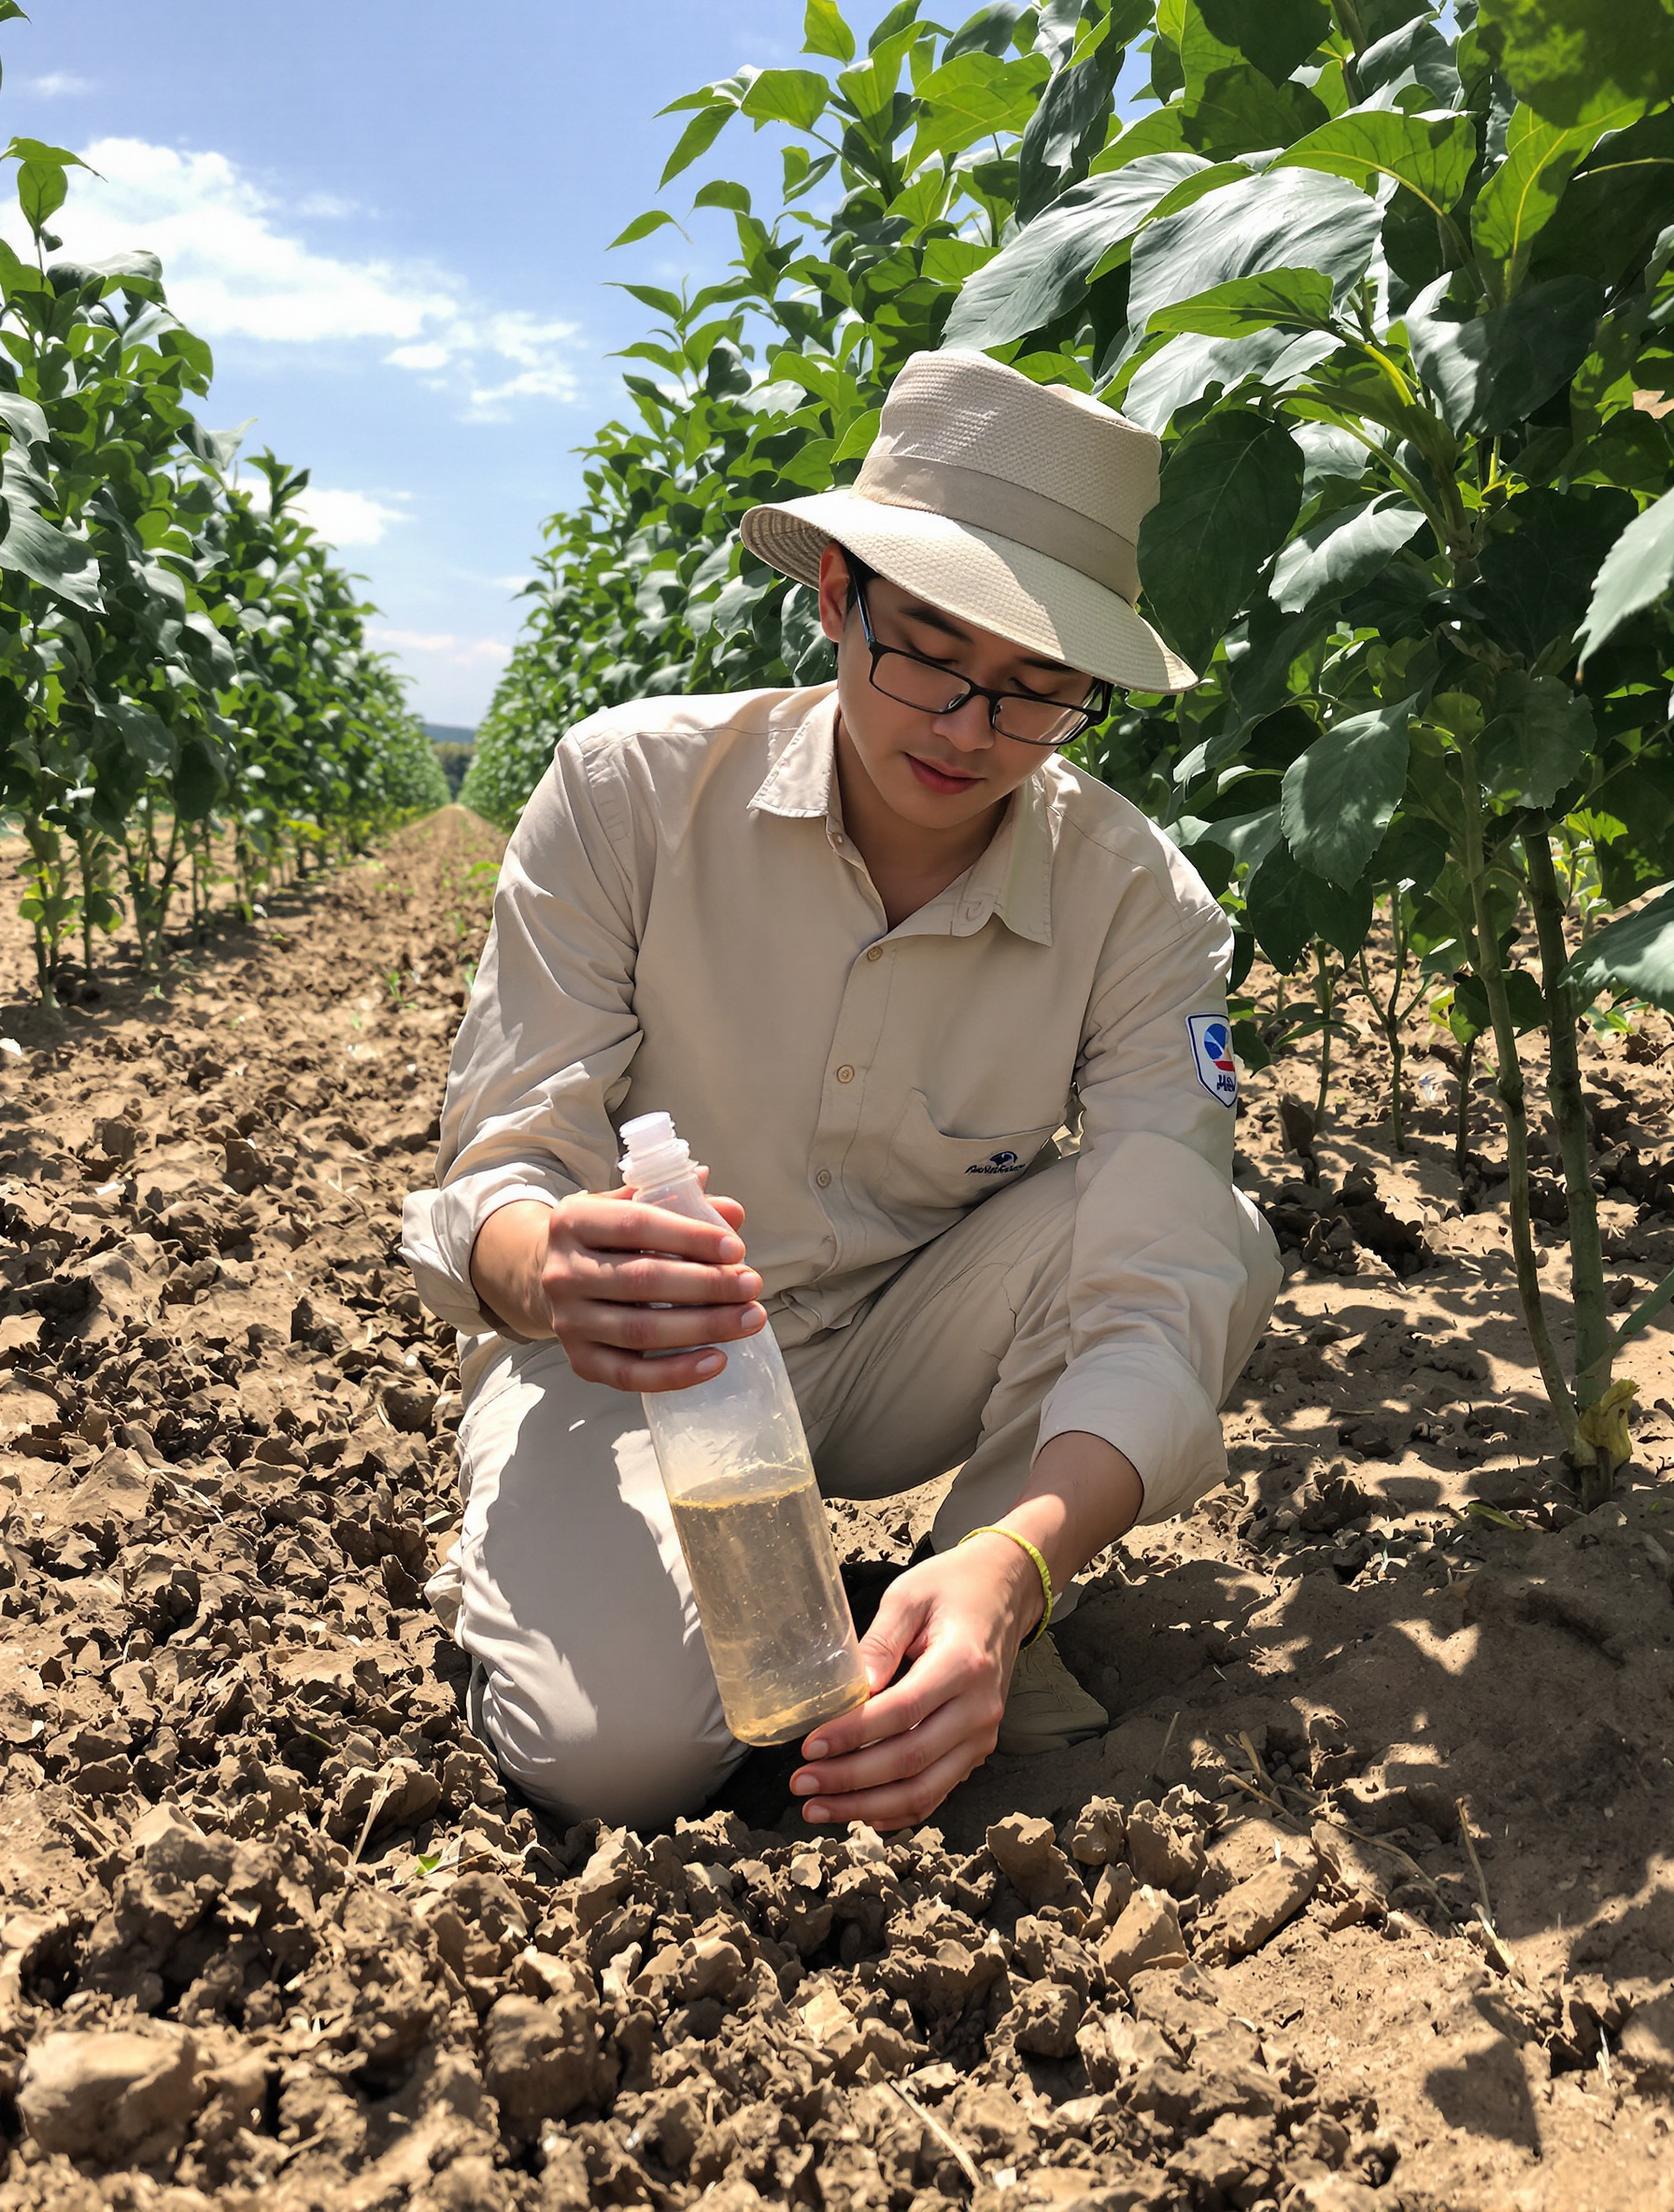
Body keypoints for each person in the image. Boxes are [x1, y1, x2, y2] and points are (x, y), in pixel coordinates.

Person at [402, 349, 1282, 1835]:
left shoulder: (1139, 902)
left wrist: (1024, 1560)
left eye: (1035, 691)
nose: (966, 728)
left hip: (889, 1361)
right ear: (834, 597)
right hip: (638, 1363)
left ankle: (964, 1603)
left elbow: (1156, 1281)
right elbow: (503, 1156)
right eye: (928, 654)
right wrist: (543, 1265)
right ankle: (586, 1561)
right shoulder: (627, 793)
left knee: (1214, 1230)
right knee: (616, 1760)